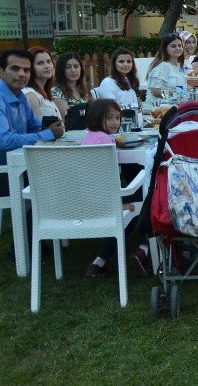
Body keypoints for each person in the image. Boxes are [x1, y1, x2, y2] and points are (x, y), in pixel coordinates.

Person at [0, 49, 64, 199]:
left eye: (26, 70)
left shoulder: (19, 96)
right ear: (0, 72)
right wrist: (48, 133)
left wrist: (51, 127)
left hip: (13, 168)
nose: (22, 74)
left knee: (62, 171)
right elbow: (4, 142)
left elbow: (34, 126)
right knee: (54, 181)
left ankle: (47, 221)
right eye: (15, 68)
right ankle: (35, 222)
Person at [81, 98, 151, 277]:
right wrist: (117, 204)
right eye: (110, 118)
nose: (115, 122)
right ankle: (144, 250)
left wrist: (113, 141)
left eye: (117, 117)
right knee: (145, 200)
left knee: (132, 210)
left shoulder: (89, 136)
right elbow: (109, 175)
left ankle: (99, 262)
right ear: (98, 119)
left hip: (86, 198)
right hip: (106, 199)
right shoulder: (106, 143)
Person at [22, 46, 62, 123]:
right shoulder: (30, 94)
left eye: (49, 61)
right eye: (40, 63)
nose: (47, 66)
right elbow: (36, 129)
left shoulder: (44, 93)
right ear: (30, 67)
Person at [97, 48, 141, 114]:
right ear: (114, 64)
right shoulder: (107, 83)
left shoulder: (129, 81)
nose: (126, 64)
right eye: (121, 61)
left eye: (129, 61)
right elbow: (113, 108)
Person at [146, 33, 187, 102]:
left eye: (179, 46)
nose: (177, 48)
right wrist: (171, 95)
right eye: (173, 46)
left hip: (174, 105)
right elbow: (155, 90)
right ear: (165, 49)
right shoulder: (162, 66)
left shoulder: (179, 65)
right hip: (159, 108)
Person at [51, 52, 90, 117]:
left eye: (76, 66)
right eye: (68, 67)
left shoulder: (80, 89)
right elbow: (67, 117)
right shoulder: (56, 91)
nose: (73, 70)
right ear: (61, 70)